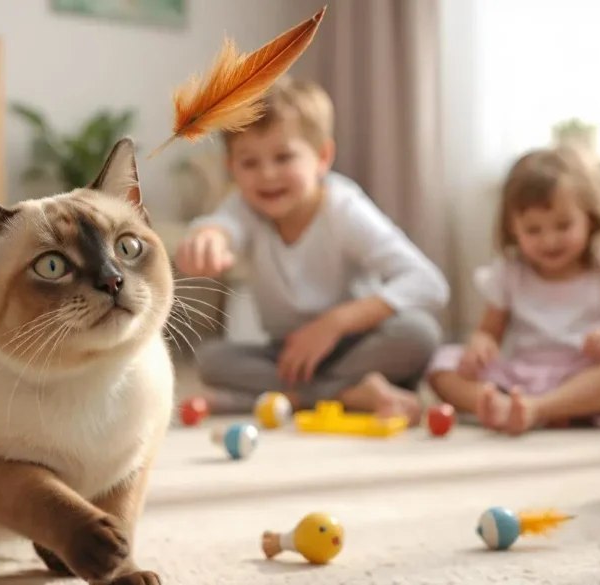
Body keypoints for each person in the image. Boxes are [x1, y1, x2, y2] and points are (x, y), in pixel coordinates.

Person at [174, 76, 449, 425]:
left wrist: (335, 323)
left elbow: (429, 283)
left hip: (357, 343)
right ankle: (348, 394)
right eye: (249, 163)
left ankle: (289, 397)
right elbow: (221, 226)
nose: (267, 175)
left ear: (322, 157)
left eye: (283, 157)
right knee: (211, 360)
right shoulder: (243, 207)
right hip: (288, 355)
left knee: (418, 334)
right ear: (232, 169)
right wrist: (207, 237)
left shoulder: (343, 208)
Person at [426, 145, 600, 435]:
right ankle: (499, 405)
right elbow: (488, 332)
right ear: (513, 229)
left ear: (590, 217)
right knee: (443, 362)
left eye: (563, 225)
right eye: (533, 230)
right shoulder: (510, 272)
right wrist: (480, 345)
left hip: (585, 377)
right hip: (522, 375)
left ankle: (538, 409)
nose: (549, 240)